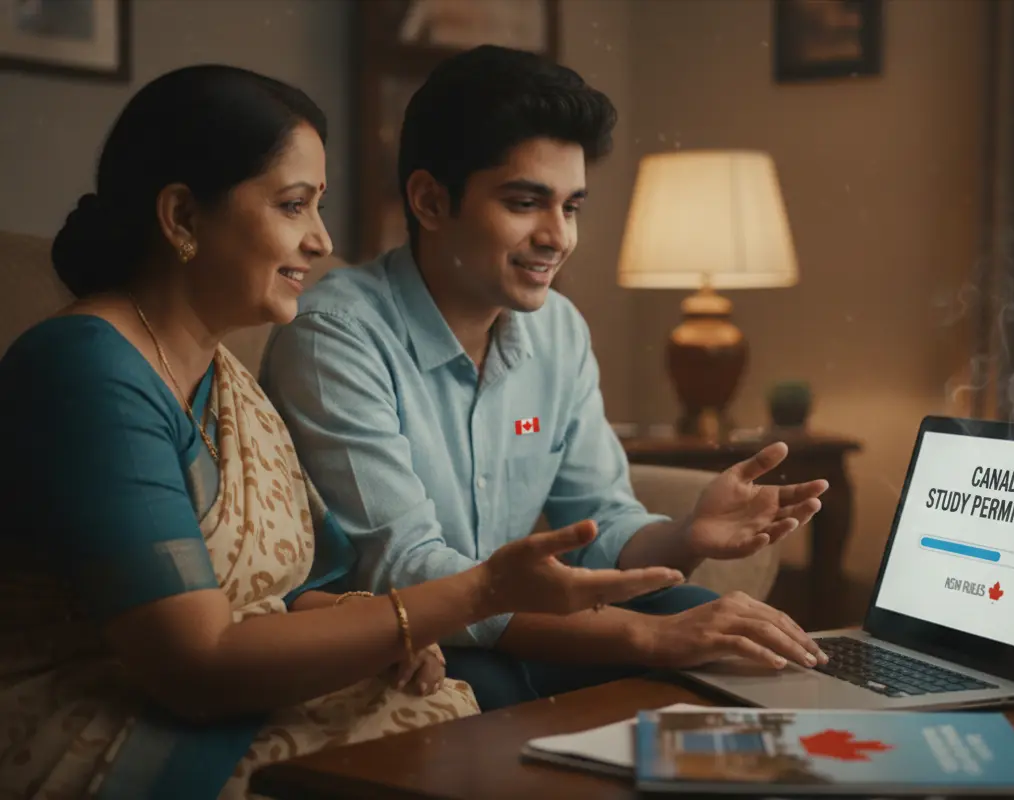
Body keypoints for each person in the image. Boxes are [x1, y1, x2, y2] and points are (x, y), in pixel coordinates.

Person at [0, 64, 686, 800]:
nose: (323, 241)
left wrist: (390, 636)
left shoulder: (221, 375)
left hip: (252, 693)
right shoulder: (84, 369)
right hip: (112, 726)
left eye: (318, 206)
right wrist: (472, 593)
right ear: (182, 218)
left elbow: (300, 591)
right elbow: (193, 667)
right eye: (294, 205)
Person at [259, 44, 832, 713]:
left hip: (526, 626)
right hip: (413, 639)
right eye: (527, 202)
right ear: (430, 200)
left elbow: (602, 516)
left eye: (572, 207)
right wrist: (644, 638)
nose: (558, 237)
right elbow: (405, 569)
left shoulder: (556, 328)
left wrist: (686, 535)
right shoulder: (336, 334)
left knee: (725, 630)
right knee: (535, 684)